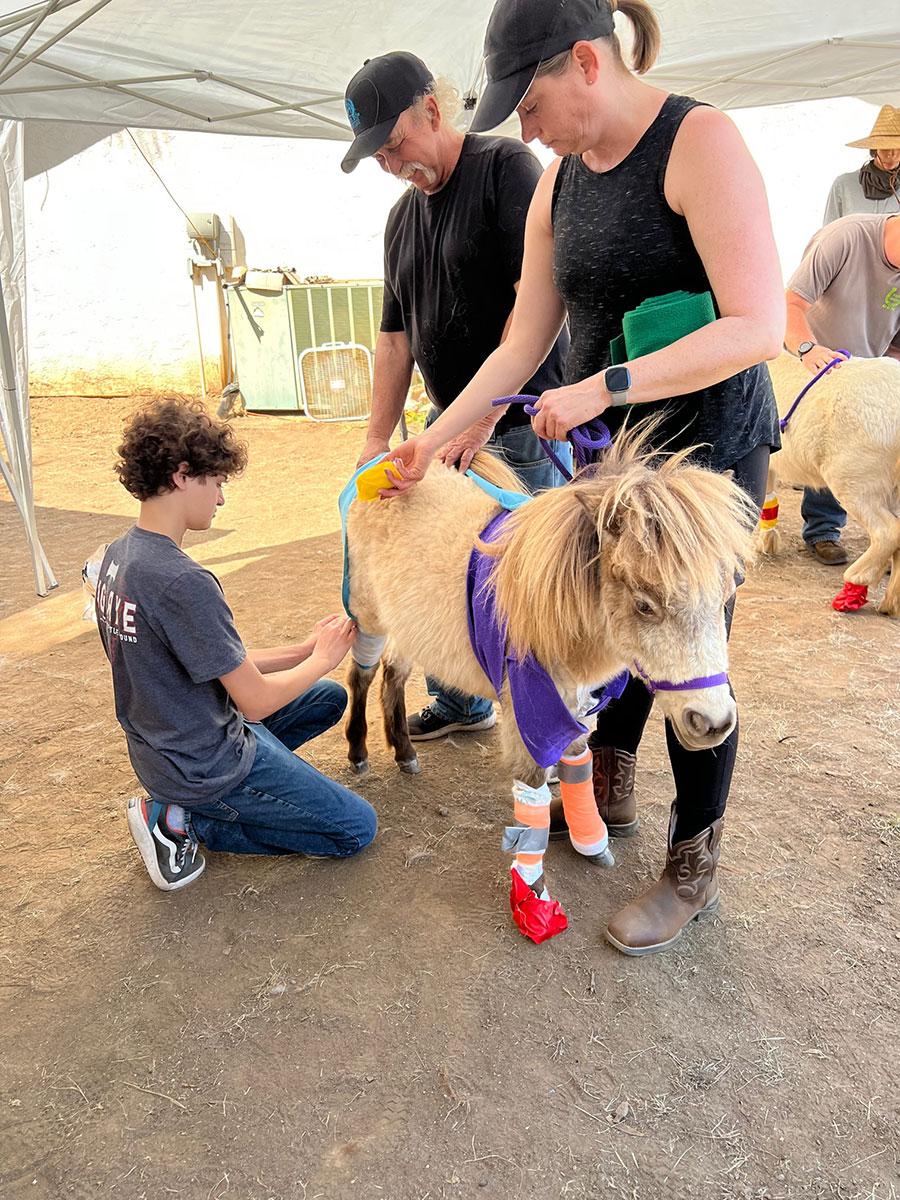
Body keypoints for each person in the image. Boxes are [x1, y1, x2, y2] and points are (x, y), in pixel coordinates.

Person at [383, 0, 785, 956]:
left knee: (688, 652)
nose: (522, 126)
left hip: (701, 459)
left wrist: (606, 385)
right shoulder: (558, 184)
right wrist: (436, 436)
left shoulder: (702, 141)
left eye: (529, 101)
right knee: (602, 632)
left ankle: (693, 868)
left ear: (585, 62)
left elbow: (758, 325)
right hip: (604, 469)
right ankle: (607, 782)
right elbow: (524, 340)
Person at [341, 50, 572, 742]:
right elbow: (392, 340)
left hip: (524, 415)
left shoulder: (507, 170)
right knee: (438, 560)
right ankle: (462, 701)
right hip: (449, 416)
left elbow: (530, 306)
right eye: (377, 155)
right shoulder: (399, 220)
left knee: (523, 582)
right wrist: (376, 436)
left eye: (392, 144)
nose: (389, 163)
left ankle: (541, 731)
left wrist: (487, 414)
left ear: (433, 110)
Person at [95, 398, 376, 891]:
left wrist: (304, 649)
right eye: (217, 482)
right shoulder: (183, 581)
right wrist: (327, 657)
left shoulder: (119, 557)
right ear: (184, 475)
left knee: (328, 697)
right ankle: (184, 821)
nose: (221, 499)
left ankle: (200, 800)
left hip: (165, 745)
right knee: (356, 829)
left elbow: (216, 660)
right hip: (206, 763)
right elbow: (256, 698)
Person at [785, 213, 900, 564]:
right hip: (810, 363)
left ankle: (884, 542)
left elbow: (896, 344)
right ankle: (822, 530)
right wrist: (807, 348)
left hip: (862, 373)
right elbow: (789, 303)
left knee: (868, 450)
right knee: (825, 452)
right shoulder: (845, 238)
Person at [823, 106, 900, 226]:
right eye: (886, 147)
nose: (892, 154)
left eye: (899, 148)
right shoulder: (845, 184)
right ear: (874, 148)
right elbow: (829, 233)